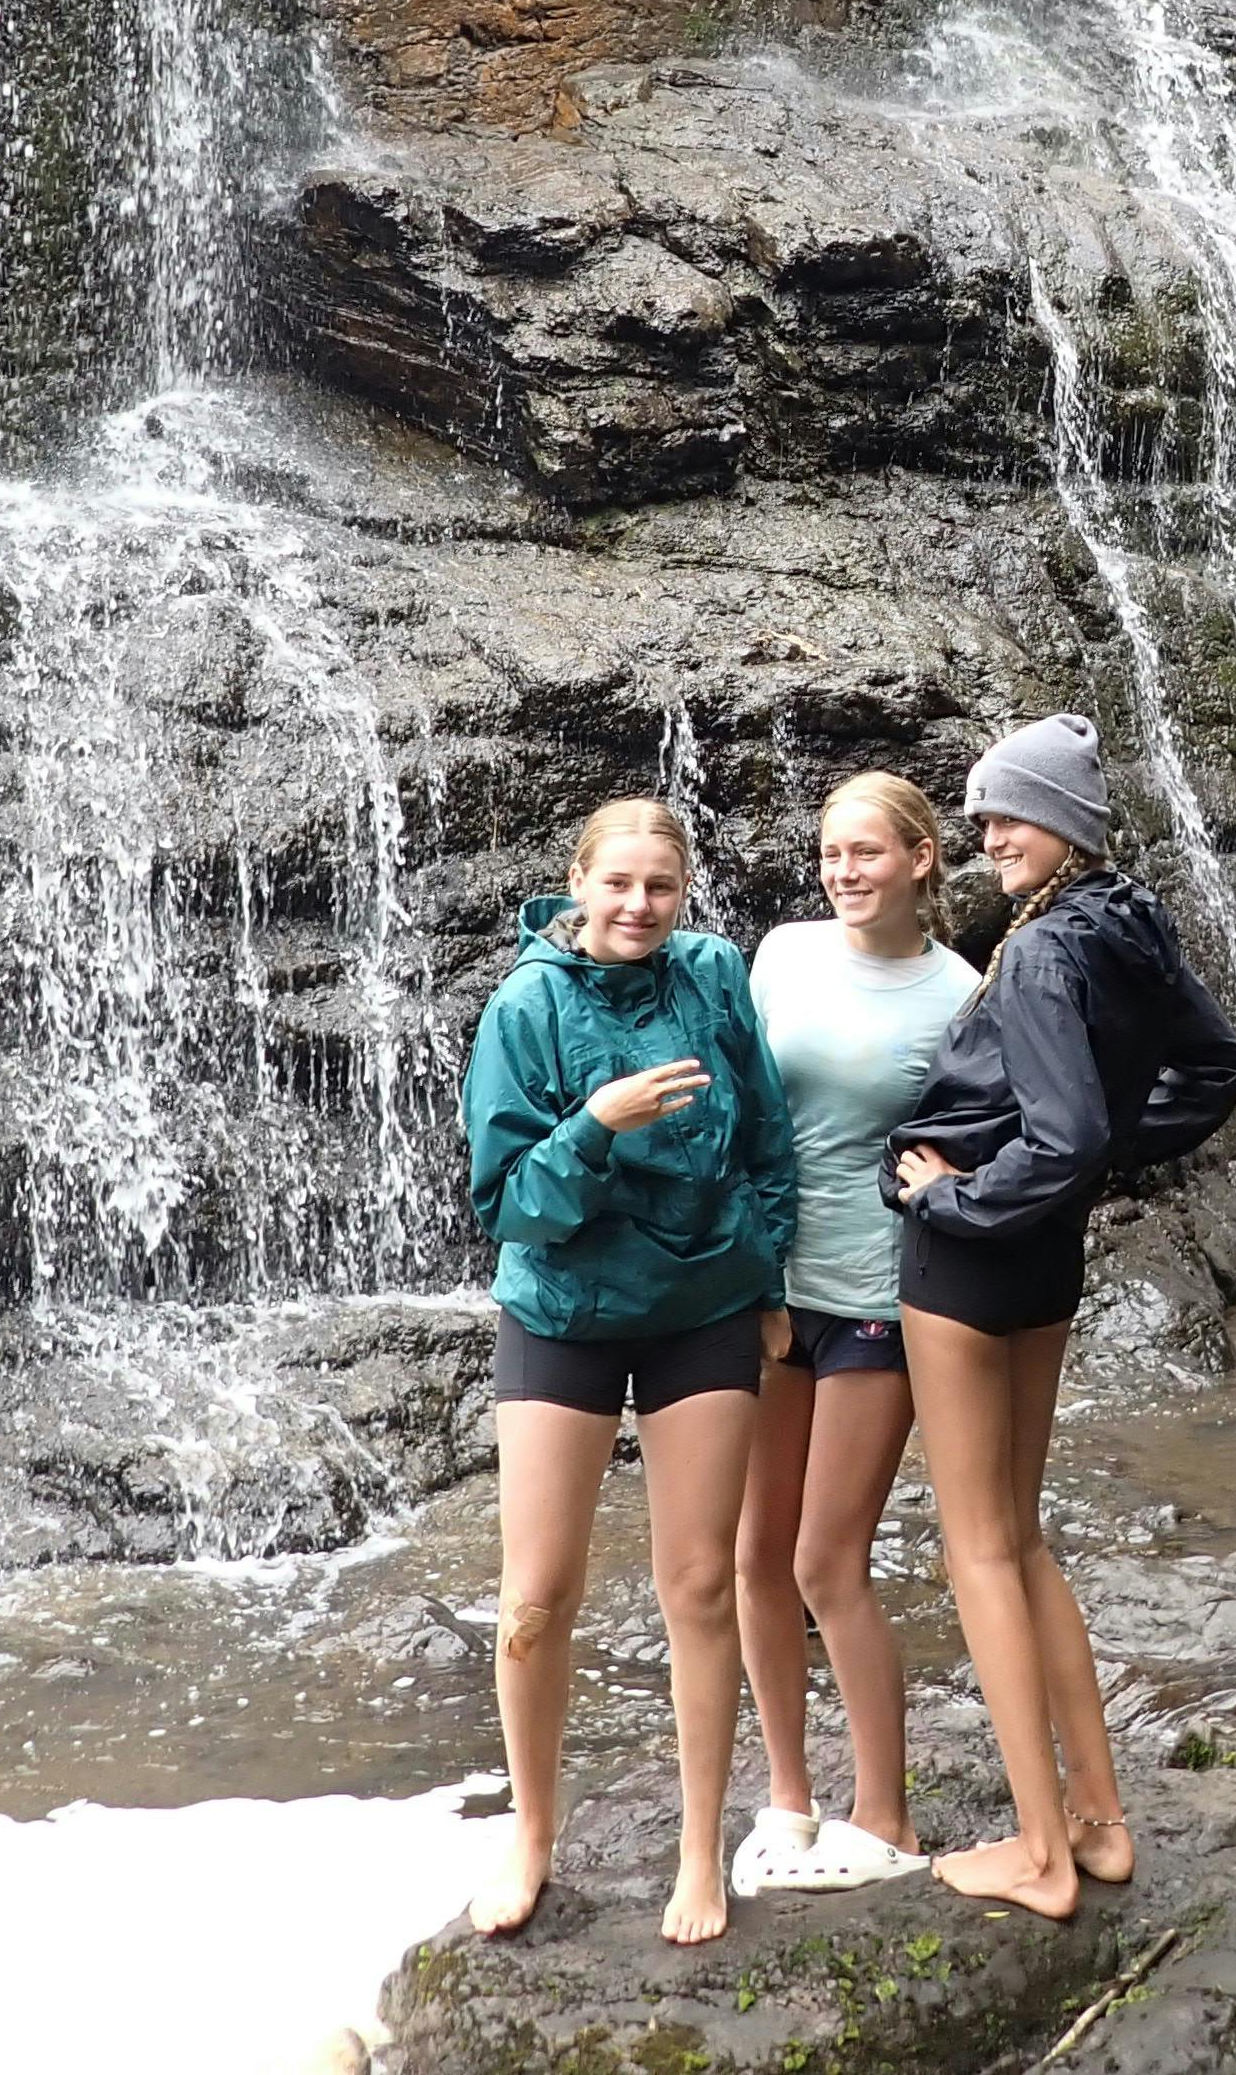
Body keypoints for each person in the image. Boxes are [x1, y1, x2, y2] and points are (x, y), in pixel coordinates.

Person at [888, 713, 1236, 1919]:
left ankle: (1038, 1856)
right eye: (983, 815)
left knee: (978, 1547)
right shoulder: (1128, 922)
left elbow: (1066, 1133)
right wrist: (1082, 1174)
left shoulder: (1041, 953)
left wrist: (954, 1198)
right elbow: (1213, 1069)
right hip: (1044, 1264)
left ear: (1067, 824)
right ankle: (1097, 1824)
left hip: (971, 1263)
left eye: (1010, 816)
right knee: (1023, 1536)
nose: (989, 836)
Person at [459, 795, 794, 1947]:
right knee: (532, 1600)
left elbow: (765, 1139)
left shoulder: (711, 974)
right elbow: (507, 1204)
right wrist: (595, 1123)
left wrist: (769, 1282)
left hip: (706, 1306)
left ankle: (700, 1852)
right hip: (564, 1314)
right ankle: (532, 1836)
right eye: (619, 886)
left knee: (698, 1587)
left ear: (682, 888)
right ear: (579, 885)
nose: (639, 907)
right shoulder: (526, 1003)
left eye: (659, 887)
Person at [728, 776, 978, 1898]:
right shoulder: (780, 953)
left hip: (881, 1292)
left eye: (866, 852)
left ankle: (886, 1817)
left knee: (827, 1560)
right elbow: (737, 1106)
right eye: (830, 852)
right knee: (752, 1556)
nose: (842, 871)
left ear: (922, 859)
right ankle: (788, 1798)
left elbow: (989, 1134)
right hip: (771, 1294)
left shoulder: (962, 995)